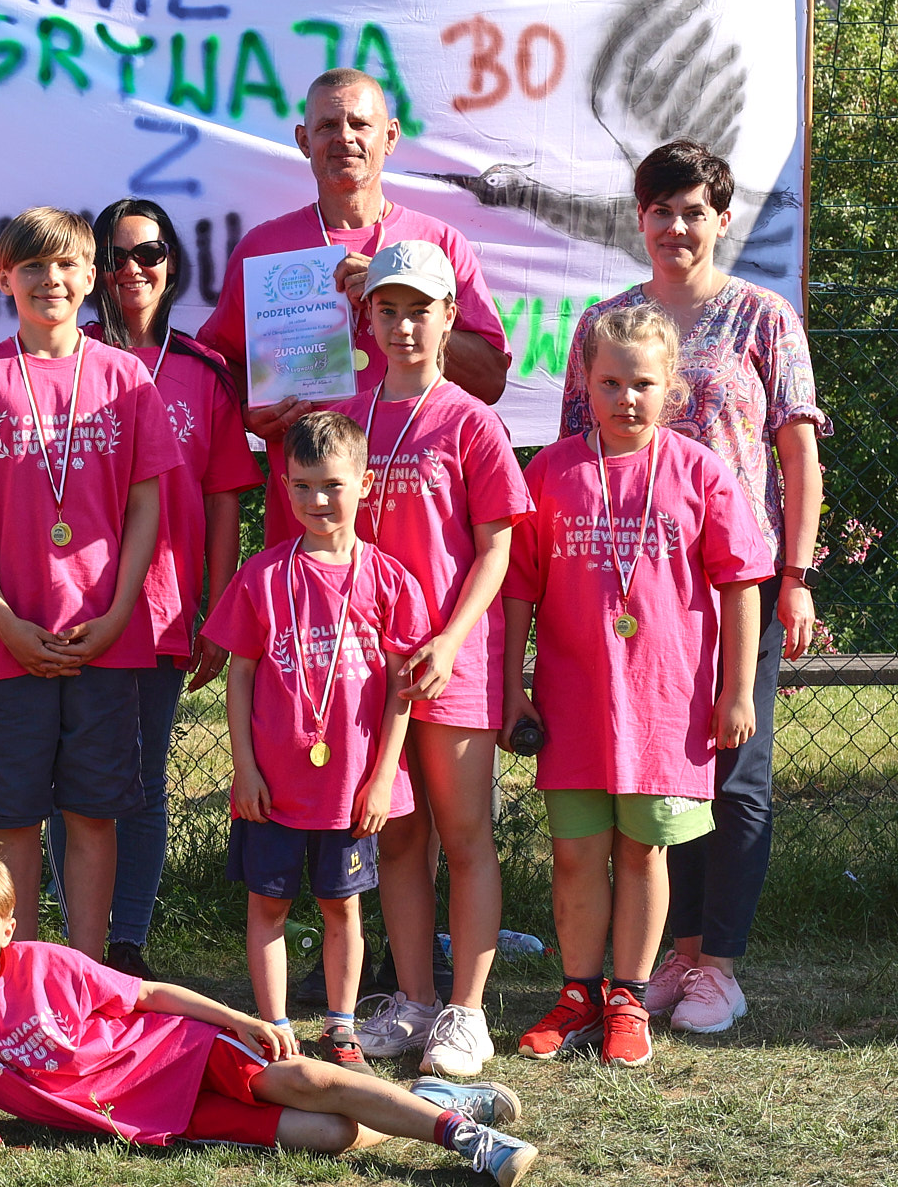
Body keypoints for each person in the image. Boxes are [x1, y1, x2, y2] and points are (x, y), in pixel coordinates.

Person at [560, 139, 828, 1035]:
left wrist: (796, 575)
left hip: (737, 585)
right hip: (636, 594)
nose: (677, 226)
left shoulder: (763, 316)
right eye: (661, 211)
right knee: (659, 775)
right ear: (640, 219)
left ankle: (719, 964)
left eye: (694, 211)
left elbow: (798, 452)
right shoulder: (606, 322)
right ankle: (672, 954)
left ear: (722, 219)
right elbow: (576, 452)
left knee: (738, 771)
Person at [0, 847, 539, 1185]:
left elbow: (148, 996)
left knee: (307, 1080)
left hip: (178, 1050)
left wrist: (235, 1018)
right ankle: (429, 1098)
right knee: (327, 1132)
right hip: (147, 1115)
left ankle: (469, 1140)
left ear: (8, 927)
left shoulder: (48, 962)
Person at [505, 304, 773, 1068]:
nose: (626, 397)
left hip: (663, 706)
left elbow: (741, 582)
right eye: (610, 382)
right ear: (585, 384)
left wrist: (737, 689)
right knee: (575, 855)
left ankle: (628, 996)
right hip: (574, 704)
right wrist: (513, 685)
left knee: (644, 853)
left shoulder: (700, 471)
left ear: (671, 388)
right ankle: (578, 993)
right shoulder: (552, 471)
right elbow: (519, 585)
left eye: (643, 384)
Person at [0, 208, 177, 961]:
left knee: (95, 815)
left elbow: (146, 506)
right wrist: (1, 618)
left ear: (92, 276)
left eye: (66, 265)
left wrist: (120, 611)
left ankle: (85, 973)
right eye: (32, 266)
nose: (50, 279)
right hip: (8, 643)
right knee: (14, 824)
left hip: (106, 639)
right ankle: (18, 976)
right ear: (5, 278)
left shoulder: (125, 378)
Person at [323, 242, 530, 1077]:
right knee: (401, 837)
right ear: (366, 318)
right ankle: (413, 1000)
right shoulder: (349, 417)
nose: (403, 326)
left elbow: (497, 547)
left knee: (465, 834)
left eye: (420, 310)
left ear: (450, 317)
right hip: (366, 670)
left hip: (449, 662)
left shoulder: (472, 420)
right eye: (388, 309)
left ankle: (466, 1012)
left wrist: (447, 639)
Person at [45, 198, 264, 979]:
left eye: (150, 253)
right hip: (71, 603)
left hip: (162, 609)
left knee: (140, 778)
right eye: (115, 256)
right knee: (73, 779)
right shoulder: (64, 358)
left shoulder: (204, 373)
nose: (132, 270)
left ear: (172, 264)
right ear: (93, 269)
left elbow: (224, 497)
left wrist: (219, 608)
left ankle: (127, 942)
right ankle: (78, 940)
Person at [197, 67, 512, 546]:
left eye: (360, 123)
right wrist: (247, 411)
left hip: (419, 523)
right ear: (304, 141)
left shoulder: (440, 245)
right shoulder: (263, 250)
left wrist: (397, 296)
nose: (344, 136)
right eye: (327, 125)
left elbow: (490, 381)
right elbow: (218, 371)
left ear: (390, 136)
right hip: (311, 527)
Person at [202, 411, 427, 1064]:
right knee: (268, 905)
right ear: (284, 486)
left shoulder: (388, 579)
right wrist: (245, 768)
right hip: (273, 787)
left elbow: (403, 690)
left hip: (350, 788)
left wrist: (383, 777)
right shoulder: (263, 576)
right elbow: (240, 674)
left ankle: (341, 1024)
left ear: (364, 483)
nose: (316, 500)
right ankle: (274, 1027)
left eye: (331, 484)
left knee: (342, 908)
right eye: (301, 485)